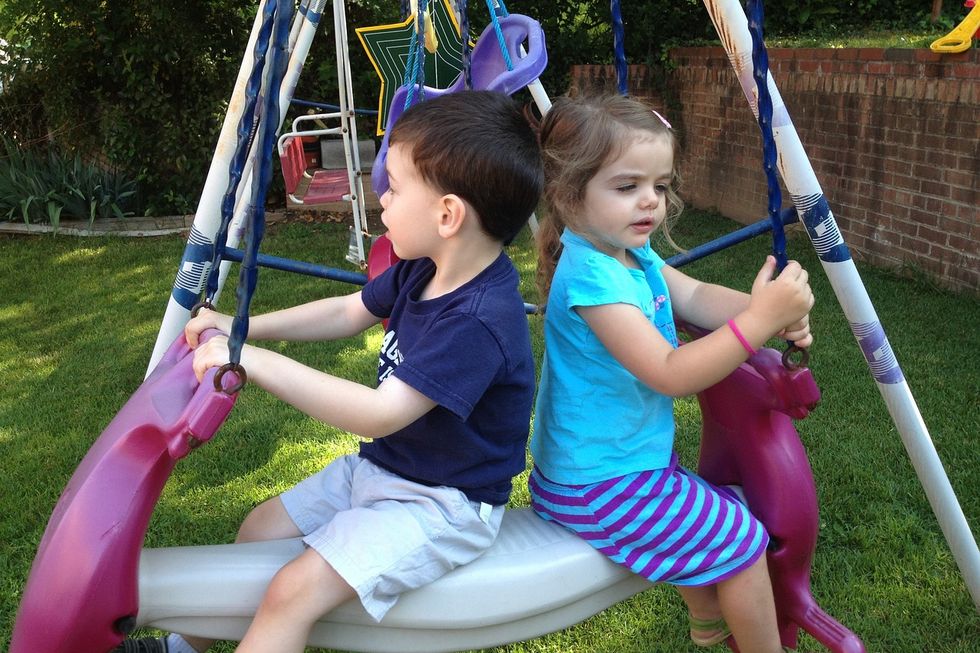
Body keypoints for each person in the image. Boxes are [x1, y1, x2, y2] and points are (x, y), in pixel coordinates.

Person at [116, 89, 542, 653]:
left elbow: (381, 413)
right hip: (386, 468)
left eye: (393, 184)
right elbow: (348, 311)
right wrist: (243, 328)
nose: (379, 196)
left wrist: (252, 362)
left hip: (443, 504)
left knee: (293, 590)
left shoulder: (479, 320)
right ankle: (183, 649)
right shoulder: (425, 268)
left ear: (447, 215)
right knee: (258, 530)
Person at [528, 94, 813, 653]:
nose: (650, 203)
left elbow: (696, 296)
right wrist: (758, 322)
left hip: (620, 465)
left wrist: (769, 314)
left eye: (659, 186)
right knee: (742, 540)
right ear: (569, 192)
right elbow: (669, 373)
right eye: (627, 186)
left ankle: (707, 616)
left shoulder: (630, 257)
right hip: (596, 485)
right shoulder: (592, 279)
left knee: (720, 509)